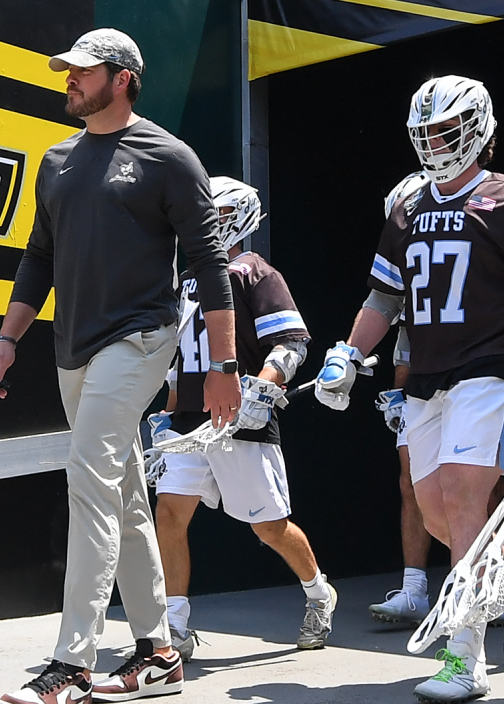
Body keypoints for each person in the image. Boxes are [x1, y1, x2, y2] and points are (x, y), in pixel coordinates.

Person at [0, 29, 241, 704]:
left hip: (142, 338)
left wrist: (225, 363)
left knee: (87, 478)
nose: (69, 79)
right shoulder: (58, 158)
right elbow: (39, 255)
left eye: (82, 72)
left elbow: (211, 265)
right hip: (75, 346)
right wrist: (9, 339)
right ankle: (158, 653)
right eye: (67, 71)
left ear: (122, 78)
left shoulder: (168, 157)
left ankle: (71, 662)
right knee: (124, 496)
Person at [313, 75, 504, 702]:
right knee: (434, 509)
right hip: (426, 376)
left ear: (480, 130)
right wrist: (350, 353)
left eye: (446, 130)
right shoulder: (406, 208)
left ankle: (466, 657)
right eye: (425, 133)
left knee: (463, 495)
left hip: (491, 369)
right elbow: (385, 295)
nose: (435, 143)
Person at [151, 177, 337, 657]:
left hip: (241, 418)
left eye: (213, 215)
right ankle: (175, 627)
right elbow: (180, 360)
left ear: (238, 218)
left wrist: (263, 385)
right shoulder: (187, 278)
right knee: (169, 514)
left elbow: (291, 343)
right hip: (192, 419)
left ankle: (319, 593)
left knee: (268, 528)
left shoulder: (255, 273)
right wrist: (167, 415)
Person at [369, 172, 435, 625]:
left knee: (479, 490)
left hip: (477, 381)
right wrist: (398, 392)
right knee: (410, 483)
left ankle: (496, 583)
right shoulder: (405, 268)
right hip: (422, 387)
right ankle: (414, 589)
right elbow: (405, 337)